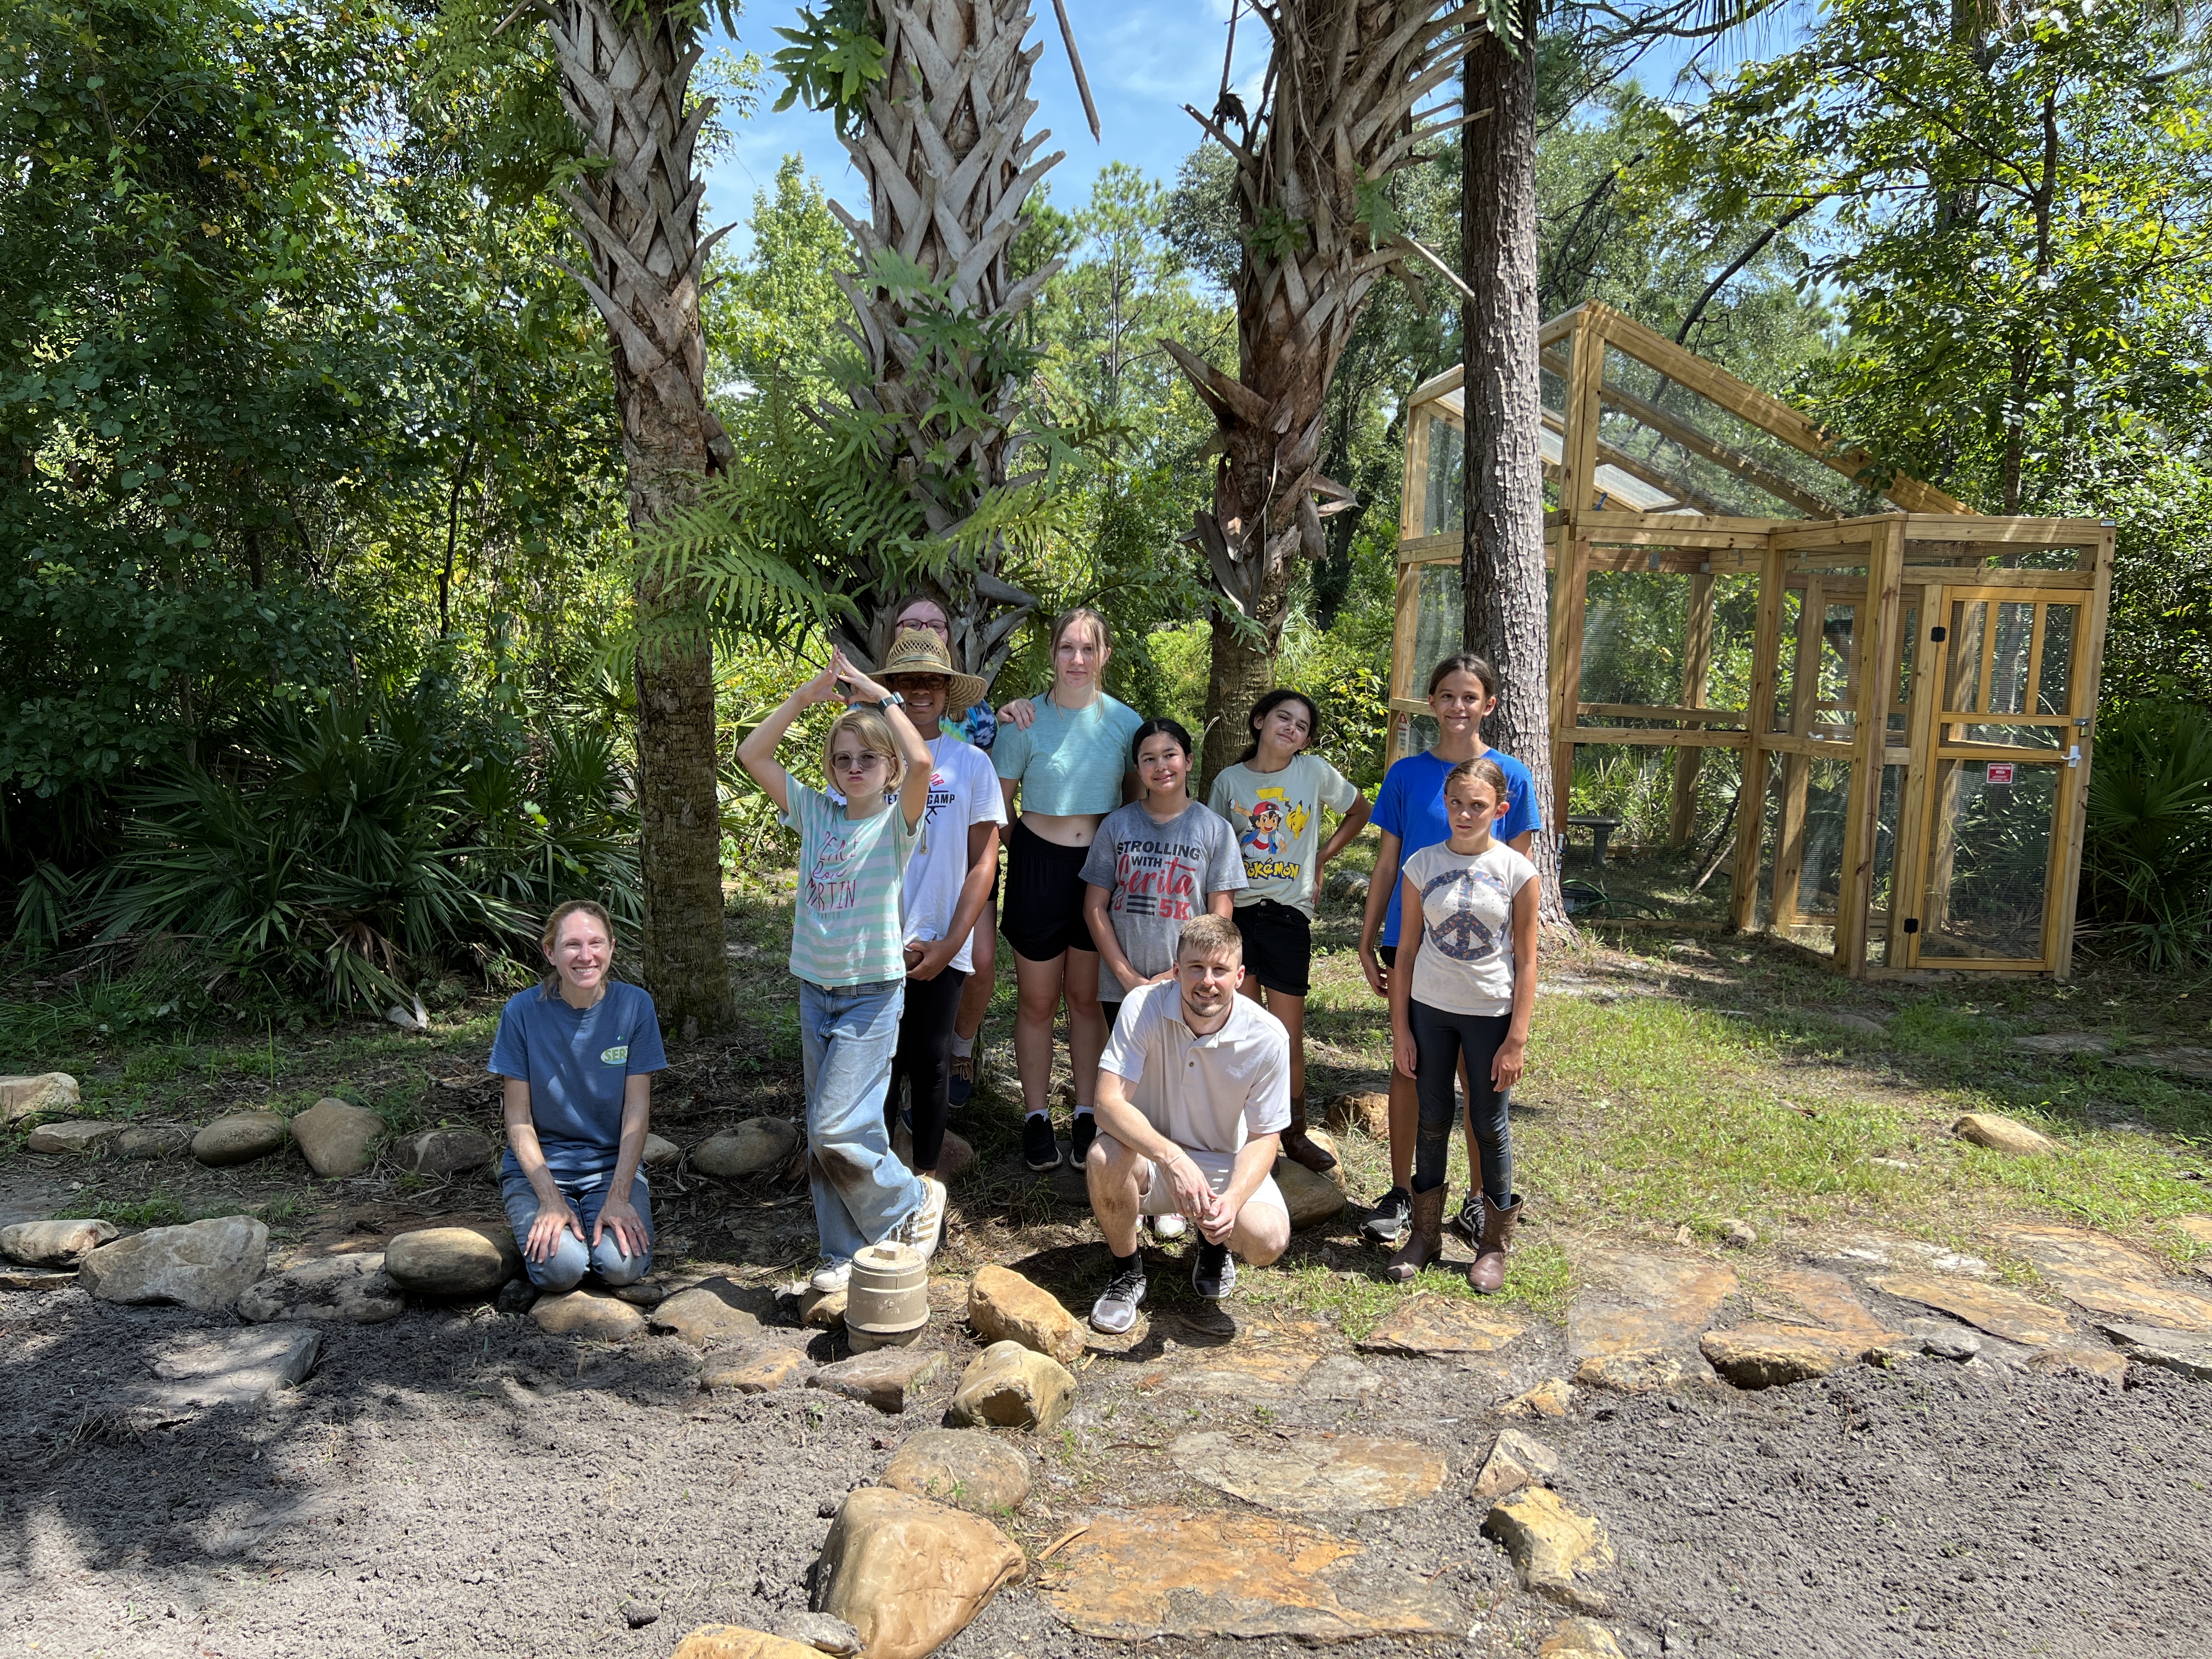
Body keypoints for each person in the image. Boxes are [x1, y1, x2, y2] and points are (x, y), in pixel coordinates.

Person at [735, 648, 946, 1293]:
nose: (854, 768)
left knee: (837, 1127)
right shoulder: (815, 814)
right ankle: (842, 1252)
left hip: (871, 996)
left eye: (868, 759)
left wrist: (879, 699)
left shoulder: (895, 823)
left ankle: (909, 1200)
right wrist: (806, 696)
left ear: (888, 770)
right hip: (815, 992)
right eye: (842, 759)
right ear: (830, 768)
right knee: (827, 1137)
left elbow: (926, 761)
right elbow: (752, 755)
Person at [1357, 653, 1541, 1246]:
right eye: (1446, 696)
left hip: (1482, 957)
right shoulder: (1406, 775)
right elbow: (1388, 863)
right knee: (1411, 1069)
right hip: (1411, 943)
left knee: (1476, 1077)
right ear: (1431, 702)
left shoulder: (1511, 775)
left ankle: (1480, 1204)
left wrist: (1516, 967)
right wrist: (1368, 937)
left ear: (1488, 704)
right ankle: (1405, 1195)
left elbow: (1520, 876)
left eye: (1470, 697)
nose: (1457, 707)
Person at [1083, 914, 1293, 1333]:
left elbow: (1264, 1136)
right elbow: (1106, 1104)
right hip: (1149, 1156)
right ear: (1177, 971)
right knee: (1104, 1155)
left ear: (1240, 975)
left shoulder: (1269, 1037)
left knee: (1268, 1240)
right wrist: (1173, 1159)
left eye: (1220, 970)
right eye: (1196, 968)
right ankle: (1126, 1269)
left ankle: (1214, 1243)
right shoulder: (1142, 1006)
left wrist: (1232, 1200)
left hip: (1222, 1163)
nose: (1208, 981)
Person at [990, 607, 1142, 1172]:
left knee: (1084, 998)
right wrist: (1024, 849)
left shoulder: (1126, 724)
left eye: (1088, 649)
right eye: (1066, 648)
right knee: (1036, 999)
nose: (1076, 659)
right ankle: (1034, 1115)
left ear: (1104, 656)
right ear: (1051, 654)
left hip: (1099, 873)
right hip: (1038, 866)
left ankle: (1086, 1111)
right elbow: (998, 801)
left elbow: (1133, 803)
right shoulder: (1023, 722)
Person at [1385, 757, 1536, 1291]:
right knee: (1431, 1118)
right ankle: (1424, 1236)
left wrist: (1516, 1038)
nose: (1465, 814)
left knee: (1489, 1127)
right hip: (1430, 1011)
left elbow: (1527, 959)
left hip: (1490, 1016)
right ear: (1444, 804)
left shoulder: (1518, 873)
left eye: (1478, 805)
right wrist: (1402, 1029)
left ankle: (1493, 1245)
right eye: (1456, 804)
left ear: (1501, 808)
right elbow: (1405, 954)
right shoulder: (1421, 865)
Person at [1207, 688, 1372, 1173]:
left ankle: (1292, 1134)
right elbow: (1214, 845)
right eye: (1284, 718)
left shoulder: (1314, 772)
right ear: (1259, 721)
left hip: (1287, 915)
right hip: (1237, 916)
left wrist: (1321, 857)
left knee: (1284, 1036)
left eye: (1302, 727)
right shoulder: (1228, 781)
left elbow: (1361, 810)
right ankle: (1239, 1131)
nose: (1292, 729)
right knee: (1240, 1029)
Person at [1080, 716, 1245, 1166]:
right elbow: (1095, 906)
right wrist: (1125, 974)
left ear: (1188, 761)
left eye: (1170, 755)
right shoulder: (1117, 826)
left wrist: (1184, 973)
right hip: (1126, 984)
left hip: (1188, 984)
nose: (1161, 766)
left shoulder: (1214, 830)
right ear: (1138, 768)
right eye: (1149, 759)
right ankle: (1132, 1175)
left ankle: (1177, 1178)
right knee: (1132, 1083)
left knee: (1180, 1082)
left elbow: (1220, 913)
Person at [876, 626, 1005, 1183]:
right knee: (880, 1067)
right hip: (875, 940)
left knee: (929, 1061)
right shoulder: (870, 756)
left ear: (947, 690)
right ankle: (874, 1186)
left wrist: (954, 941)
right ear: (893, 689)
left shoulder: (972, 763)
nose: (921, 691)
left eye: (932, 680)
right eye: (908, 681)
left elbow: (984, 862)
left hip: (939, 939)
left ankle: (926, 1185)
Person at [491, 900, 666, 1293]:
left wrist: (620, 1196)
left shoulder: (635, 1006)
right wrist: (550, 1200)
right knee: (562, 1270)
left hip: (610, 1166)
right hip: (540, 1169)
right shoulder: (521, 1012)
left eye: (596, 943)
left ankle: (589, 1226)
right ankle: (549, 1233)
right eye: (572, 945)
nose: (586, 956)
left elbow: (637, 1109)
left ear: (612, 948)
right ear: (550, 952)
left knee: (622, 1267)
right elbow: (518, 1118)